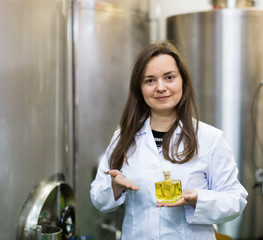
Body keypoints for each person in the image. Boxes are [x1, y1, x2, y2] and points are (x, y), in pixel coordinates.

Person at [90, 41, 248, 240]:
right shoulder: (123, 138)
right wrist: (115, 187)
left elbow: (235, 201)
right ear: (139, 88)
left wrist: (197, 199)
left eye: (169, 77)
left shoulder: (210, 139)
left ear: (182, 81)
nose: (160, 87)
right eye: (150, 80)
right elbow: (97, 197)